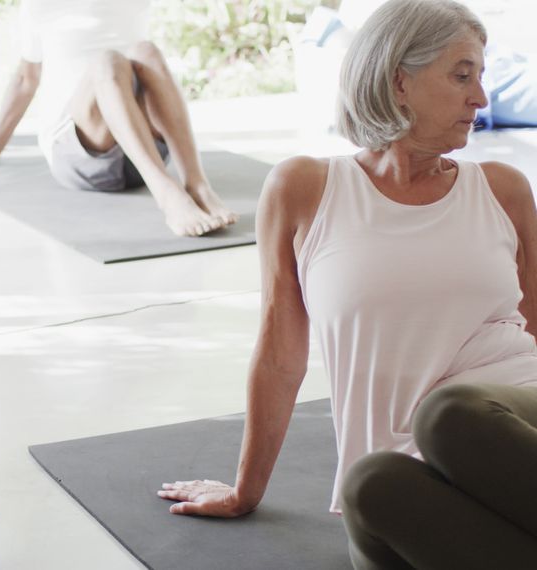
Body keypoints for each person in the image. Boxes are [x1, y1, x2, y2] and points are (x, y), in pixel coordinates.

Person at [154, 1, 537, 567]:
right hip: (421, 477)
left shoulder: (501, 189)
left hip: (510, 424)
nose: (480, 97)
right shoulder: (305, 187)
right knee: (368, 482)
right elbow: (281, 349)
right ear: (397, 81)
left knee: (449, 415)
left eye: (480, 77)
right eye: (462, 75)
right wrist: (244, 492)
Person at [0, 0, 236, 237]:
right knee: (107, 60)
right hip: (78, 151)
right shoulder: (39, 6)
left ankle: (197, 186)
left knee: (145, 51)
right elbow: (26, 79)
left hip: (143, 152)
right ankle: (167, 196)